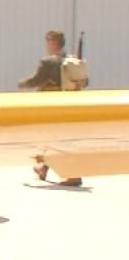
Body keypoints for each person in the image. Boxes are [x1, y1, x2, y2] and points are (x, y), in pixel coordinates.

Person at [19, 30, 83, 186]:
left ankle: (72, 175)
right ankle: (43, 166)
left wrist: (22, 84)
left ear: (53, 43)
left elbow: (36, 80)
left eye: (49, 41)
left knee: (50, 136)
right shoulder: (72, 61)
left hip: (50, 105)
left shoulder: (48, 62)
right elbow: (84, 81)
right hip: (69, 104)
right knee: (60, 137)